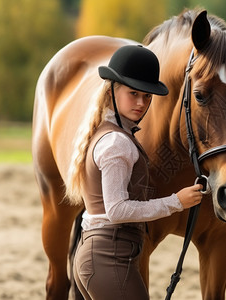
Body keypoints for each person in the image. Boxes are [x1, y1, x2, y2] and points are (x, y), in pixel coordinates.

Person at [65, 45, 203, 300]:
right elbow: (117, 210)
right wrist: (176, 202)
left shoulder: (107, 132)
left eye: (147, 96)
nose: (141, 103)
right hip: (109, 259)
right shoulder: (117, 143)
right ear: (112, 91)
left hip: (99, 256)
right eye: (133, 93)